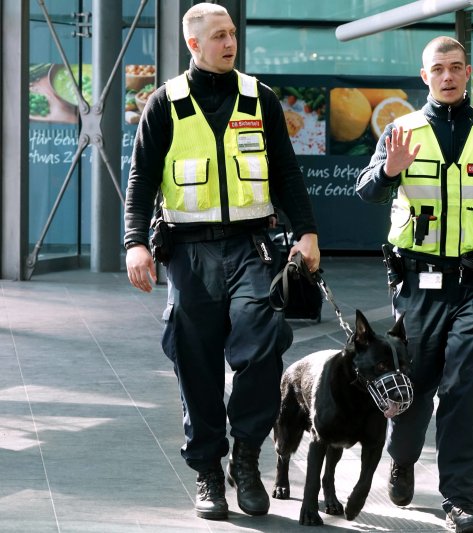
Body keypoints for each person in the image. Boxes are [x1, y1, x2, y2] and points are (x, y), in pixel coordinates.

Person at [123, 3, 319, 521]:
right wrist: (135, 242)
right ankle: (210, 470)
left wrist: (307, 232)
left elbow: (287, 173)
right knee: (196, 361)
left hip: (254, 247)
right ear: (194, 44)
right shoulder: (165, 103)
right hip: (189, 252)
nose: (229, 42)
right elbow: (141, 178)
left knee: (262, 345)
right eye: (218, 35)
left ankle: (248, 458)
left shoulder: (261, 98)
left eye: (232, 33)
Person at [356, 36, 473, 533]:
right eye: (439, 69)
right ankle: (403, 455)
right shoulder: (401, 129)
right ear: (425, 76)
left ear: (468, 73)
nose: (448, 76)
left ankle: (460, 498)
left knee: (465, 384)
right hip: (416, 283)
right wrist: (389, 171)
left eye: (456, 67)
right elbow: (366, 189)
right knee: (414, 386)